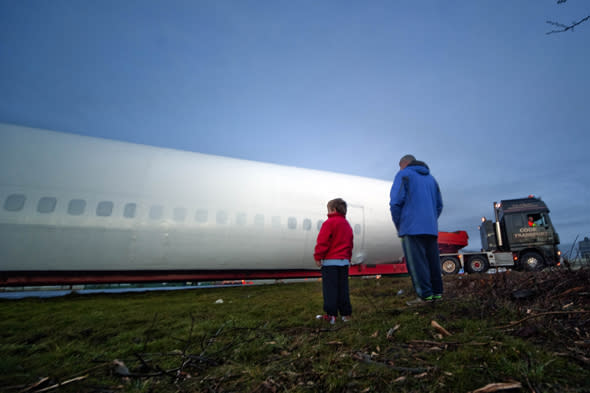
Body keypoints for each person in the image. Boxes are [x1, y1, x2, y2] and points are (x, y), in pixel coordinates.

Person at [389, 154, 444, 306]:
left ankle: (424, 297)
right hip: (431, 228)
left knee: (417, 264)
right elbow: (439, 205)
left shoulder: (404, 174)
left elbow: (395, 203)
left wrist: (399, 225)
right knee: (432, 262)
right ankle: (437, 295)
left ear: (404, 164)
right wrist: (430, 220)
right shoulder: (432, 179)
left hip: (411, 228)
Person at [314, 198, 354, 324]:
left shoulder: (329, 223)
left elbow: (323, 242)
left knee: (330, 290)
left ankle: (331, 315)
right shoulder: (347, 225)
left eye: (328, 210)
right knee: (343, 289)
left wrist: (318, 256)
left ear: (333, 210)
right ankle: (346, 315)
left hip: (330, 263)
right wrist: (348, 257)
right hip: (343, 262)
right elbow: (350, 243)